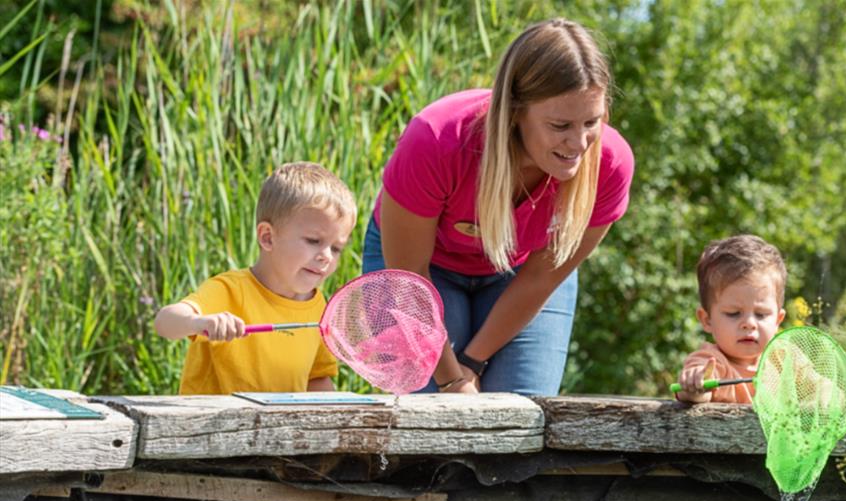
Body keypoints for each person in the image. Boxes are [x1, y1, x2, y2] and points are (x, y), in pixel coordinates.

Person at [362, 19, 635, 396]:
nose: (579, 143)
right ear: (516, 111)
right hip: (420, 272)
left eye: (592, 122)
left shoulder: (611, 164)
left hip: (524, 275)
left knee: (521, 417)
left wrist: (473, 363)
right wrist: (452, 379)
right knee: (431, 422)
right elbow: (408, 276)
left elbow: (542, 278)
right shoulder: (437, 139)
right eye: (560, 125)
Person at [154, 162, 357, 395]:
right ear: (267, 237)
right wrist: (199, 323)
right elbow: (164, 323)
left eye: (337, 248)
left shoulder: (319, 307)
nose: (326, 257)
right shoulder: (230, 290)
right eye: (313, 241)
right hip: (215, 429)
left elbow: (317, 377)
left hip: (281, 430)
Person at [676, 235, 787, 404]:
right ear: (707, 320)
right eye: (733, 313)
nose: (749, 323)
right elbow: (695, 394)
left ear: (778, 320)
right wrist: (695, 385)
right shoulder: (711, 361)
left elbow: (824, 388)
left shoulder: (785, 361)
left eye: (761, 314)